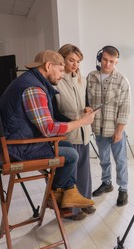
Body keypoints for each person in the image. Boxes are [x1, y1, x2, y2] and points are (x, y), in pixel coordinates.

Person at [0, 50, 97, 209]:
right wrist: (81, 122)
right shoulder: (34, 89)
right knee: (72, 155)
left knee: (67, 147)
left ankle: (68, 192)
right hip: (11, 150)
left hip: (7, 143)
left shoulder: (27, 80)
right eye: (60, 70)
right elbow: (49, 129)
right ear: (48, 65)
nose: (61, 74)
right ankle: (54, 193)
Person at [54, 44, 95, 220]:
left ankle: (85, 202)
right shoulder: (56, 81)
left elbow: (83, 102)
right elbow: (56, 111)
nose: (75, 64)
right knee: (72, 174)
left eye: (77, 61)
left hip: (84, 131)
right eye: (71, 60)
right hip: (69, 134)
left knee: (84, 171)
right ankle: (71, 211)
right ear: (62, 59)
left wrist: (87, 109)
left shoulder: (81, 79)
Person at [86, 45, 131, 206]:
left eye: (111, 61)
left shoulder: (122, 81)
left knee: (120, 161)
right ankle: (107, 183)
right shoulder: (90, 77)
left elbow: (125, 108)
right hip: (98, 128)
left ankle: (123, 189)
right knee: (104, 159)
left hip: (115, 130)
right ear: (100, 58)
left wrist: (119, 130)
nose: (107, 64)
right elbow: (86, 101)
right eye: (105, 59)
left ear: (116, 62)